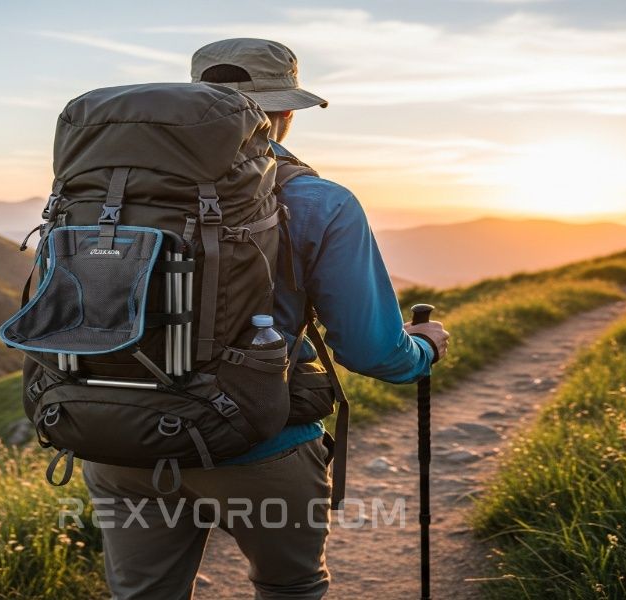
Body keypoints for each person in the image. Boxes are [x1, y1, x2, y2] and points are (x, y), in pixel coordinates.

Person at [83, 38, 450, 600]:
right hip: (259, 443)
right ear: (283, 114)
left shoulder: (110, 193)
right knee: (289, 588)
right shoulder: (320, 202)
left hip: (120, 438)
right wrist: (423, 350)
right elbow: (373, 351)